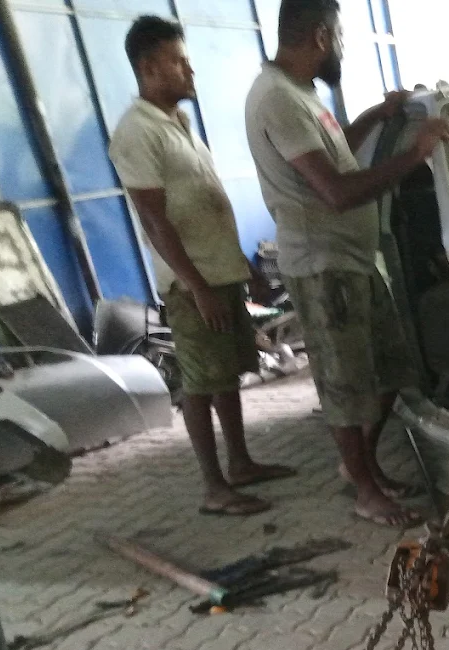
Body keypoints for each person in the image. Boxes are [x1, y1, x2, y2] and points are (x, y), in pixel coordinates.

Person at [245, 0, 449, 526]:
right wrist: (416, 154)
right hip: (323, 266)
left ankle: (362, 468)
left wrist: (375, 116)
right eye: (339, 36)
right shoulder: (277, 99)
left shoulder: (300, 94)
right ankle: (364, 490)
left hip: (351, 261)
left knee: (392, 370)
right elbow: (336, 192)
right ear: (320, 36)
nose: (342, 47)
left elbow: (337, 156)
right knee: (345, 385)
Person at [110, 15, 295, 515]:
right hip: (193, 287)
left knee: (226, 374)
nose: (191, 71)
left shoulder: (179, 125)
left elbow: (203, 202)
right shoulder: (136, 132)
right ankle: (215, 489)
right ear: (149, 68)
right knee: (200, 383)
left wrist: (240, 269)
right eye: (180, 62)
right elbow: (154, 221)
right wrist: (196, 287)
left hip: (220, 274)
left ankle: (241, 463)